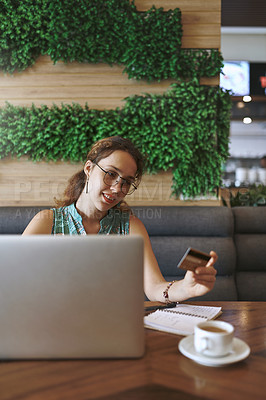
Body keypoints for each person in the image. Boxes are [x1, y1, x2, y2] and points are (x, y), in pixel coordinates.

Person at [23, 136, 217, 302]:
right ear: (89, 169)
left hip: (112, 326)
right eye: (111, 174)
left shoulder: (131, 226)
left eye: (126, 182)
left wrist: (185, 288)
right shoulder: (47, 221)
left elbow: (154, 288)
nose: (117, 188)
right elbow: (12, 279)